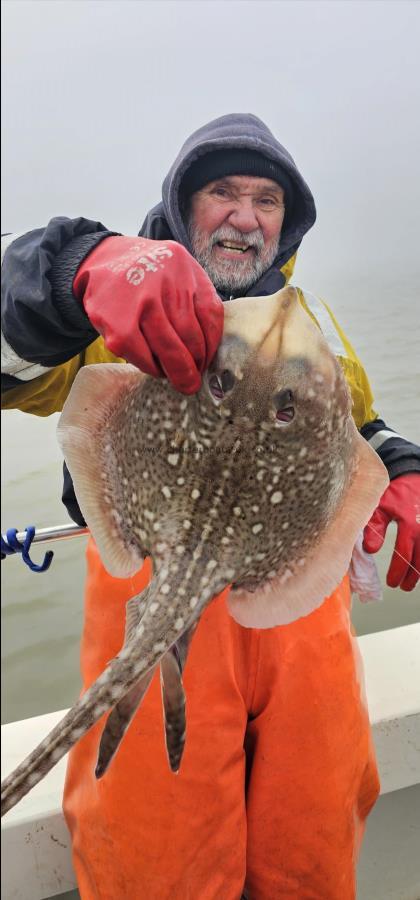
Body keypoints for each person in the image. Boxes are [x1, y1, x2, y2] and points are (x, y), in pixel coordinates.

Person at [2, 113, 419, 900]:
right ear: (181, 205)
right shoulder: (117, 308)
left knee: (317, 846)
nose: (244, 214)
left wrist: (402, 460)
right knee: (161, 864)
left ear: (284, 225)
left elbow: (357, 422)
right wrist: (76, 269)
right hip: (152, 593)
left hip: (303, 621)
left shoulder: (312, 323)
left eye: (266, 200)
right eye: (221, 192)